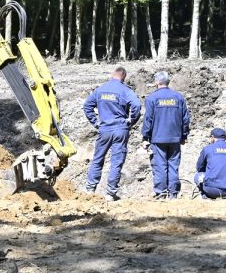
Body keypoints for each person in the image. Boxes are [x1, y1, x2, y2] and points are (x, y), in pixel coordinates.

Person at [82, 66, 141, 201]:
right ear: (124, 77)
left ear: (112, 75)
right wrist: (131, 121)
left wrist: (95, 122)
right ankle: (110, 193)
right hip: (120, 129)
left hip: (104, 129)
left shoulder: (100, 89)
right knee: (116, 162)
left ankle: (90, 189)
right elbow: (136, 106)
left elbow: (87, 106)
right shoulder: (126, 90)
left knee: (98, 159)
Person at [141, 71, 191, 199]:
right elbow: (185, 118)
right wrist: (184, 135)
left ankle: (161, 193)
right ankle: (173, 194)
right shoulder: (178, 97)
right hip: (175, 138)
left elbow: (148, 119)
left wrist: (145, 137)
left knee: (160, 166)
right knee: (173, 166)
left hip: (157, 139)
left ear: (157, 82)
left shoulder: (152, 98)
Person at [194, 127, 226, 199]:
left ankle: (206, 195)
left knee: (197, 176)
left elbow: (199, 167)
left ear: (213, 137)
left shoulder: (207, 149)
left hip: (213, 191)